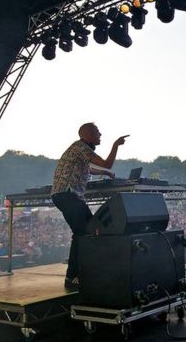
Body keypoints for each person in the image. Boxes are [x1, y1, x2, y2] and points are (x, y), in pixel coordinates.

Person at [51, 123, 128, 289]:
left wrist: (105, 173)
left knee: (92, 229)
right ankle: (72, 277)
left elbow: (90, 168)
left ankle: (84, 272)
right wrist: (115, 145)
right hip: (67, 194)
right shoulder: (81, 147)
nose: (100, 135)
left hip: (69, 196)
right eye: (98, 133)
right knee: (81, 234)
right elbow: (107, 163)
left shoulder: (80, 150)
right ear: (88, 135)